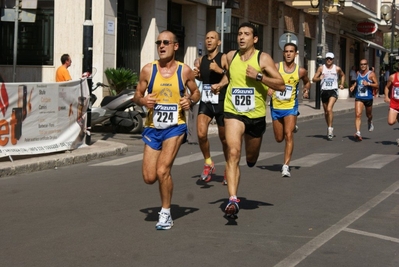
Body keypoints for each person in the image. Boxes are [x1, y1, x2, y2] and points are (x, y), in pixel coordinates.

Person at [212, 22, 285, 217]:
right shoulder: (230, 56)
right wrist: (220, 85)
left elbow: (281, 85)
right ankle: (233, 199)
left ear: (255, 39)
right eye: (239, 33)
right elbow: (230, 76)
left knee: (250, 157)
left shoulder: (263, 58)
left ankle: (251, 159)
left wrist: (259, 76)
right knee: (233, 152)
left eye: (246, 34)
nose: (241, 37)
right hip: (233, 112)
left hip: (255, 115)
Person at [132, 30, 200, 230]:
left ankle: (165, 212)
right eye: (158, 43)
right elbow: (137, 94)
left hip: (175, 127)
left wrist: (189, 100)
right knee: (149, 177)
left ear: (175, 46)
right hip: (153, 128)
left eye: (166, 43)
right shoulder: (148, 70)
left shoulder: (184, 71)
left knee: (163, 170)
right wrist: (143, 100)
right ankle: (165, 202)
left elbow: (196, 92)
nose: (161, 46)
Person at [268, 43, 310, 177]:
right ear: (283, 53)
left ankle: (285, 166)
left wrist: (306, 89)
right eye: (286, 51)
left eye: (291, 51)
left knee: (288, 135)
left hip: (290, 107)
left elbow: (307, 82)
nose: (288, 54)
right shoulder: (275, 67)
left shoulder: (300, 71)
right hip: (276, 107)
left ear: (296, 54)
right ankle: (292, 127)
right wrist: (268, 87)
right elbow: (264, 78)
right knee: (279, 138)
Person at [194, 31, 228, 184]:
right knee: (201, 133)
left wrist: (219, 70)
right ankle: (208, 162)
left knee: (224, 139)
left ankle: (229, 168)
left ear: (218, 42)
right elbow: (203, 77)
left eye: (212, 38)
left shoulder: (224, 58)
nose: (209, 40)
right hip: (207, 100)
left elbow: (232, 75)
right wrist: (197, 76)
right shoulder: (201, 60)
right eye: (207, 38)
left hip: (221, 101)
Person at [312, 52, 346, 140]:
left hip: (333, 90)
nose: (329, 60)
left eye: (330, 59)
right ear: (325, 59)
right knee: (326, 112)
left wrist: (342, 84)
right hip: (324, 91)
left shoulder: (337, 68)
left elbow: (342, 75)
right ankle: (329, 127)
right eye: (327, 58)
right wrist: (319, 78)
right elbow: (313, 79)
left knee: (329, 109)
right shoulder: (321, 68)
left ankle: (330, 129)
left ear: (333, 60)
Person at [349, 59, 379, 141]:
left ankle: (370, 121)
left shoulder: (371, 74)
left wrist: (368, 83)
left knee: (368, 115)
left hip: (368, 98)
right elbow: (357, 81)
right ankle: (358, 132)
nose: (363, 65)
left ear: (367, 65)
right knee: (358, 114)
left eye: (364, 64)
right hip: (359, 97)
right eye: (361, 64)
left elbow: (377, 85)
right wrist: (353, 86)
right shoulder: (358, 73)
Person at [187, 58, 202, 144]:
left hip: (194, 99)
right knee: (192, 119)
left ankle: (192, 138)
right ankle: (192, 138)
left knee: (193, 118)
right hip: (193, 99)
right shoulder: (194, 74)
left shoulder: (198, 75)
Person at [384, 69, 399, 146]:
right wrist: (386, 96)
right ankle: (396, 116)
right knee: (390, 122)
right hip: (394, 103)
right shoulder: (393, 77)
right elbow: (387, 87)